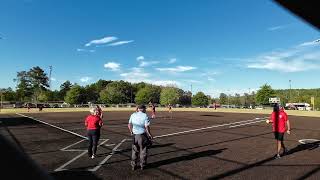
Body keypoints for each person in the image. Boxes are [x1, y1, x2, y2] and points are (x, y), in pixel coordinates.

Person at [128, 104, 153, 170]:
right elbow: (146, 126)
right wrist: (150, 134)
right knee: (143, 151)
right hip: (142, 136)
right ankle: (142, 165)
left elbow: (129, 124)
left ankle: (133, 165)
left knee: (134, 151)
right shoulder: (145, 115)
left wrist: (131, 131)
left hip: (135, 135)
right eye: (145, 109)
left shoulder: (133, 115)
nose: (145, 110)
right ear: (143, 109)